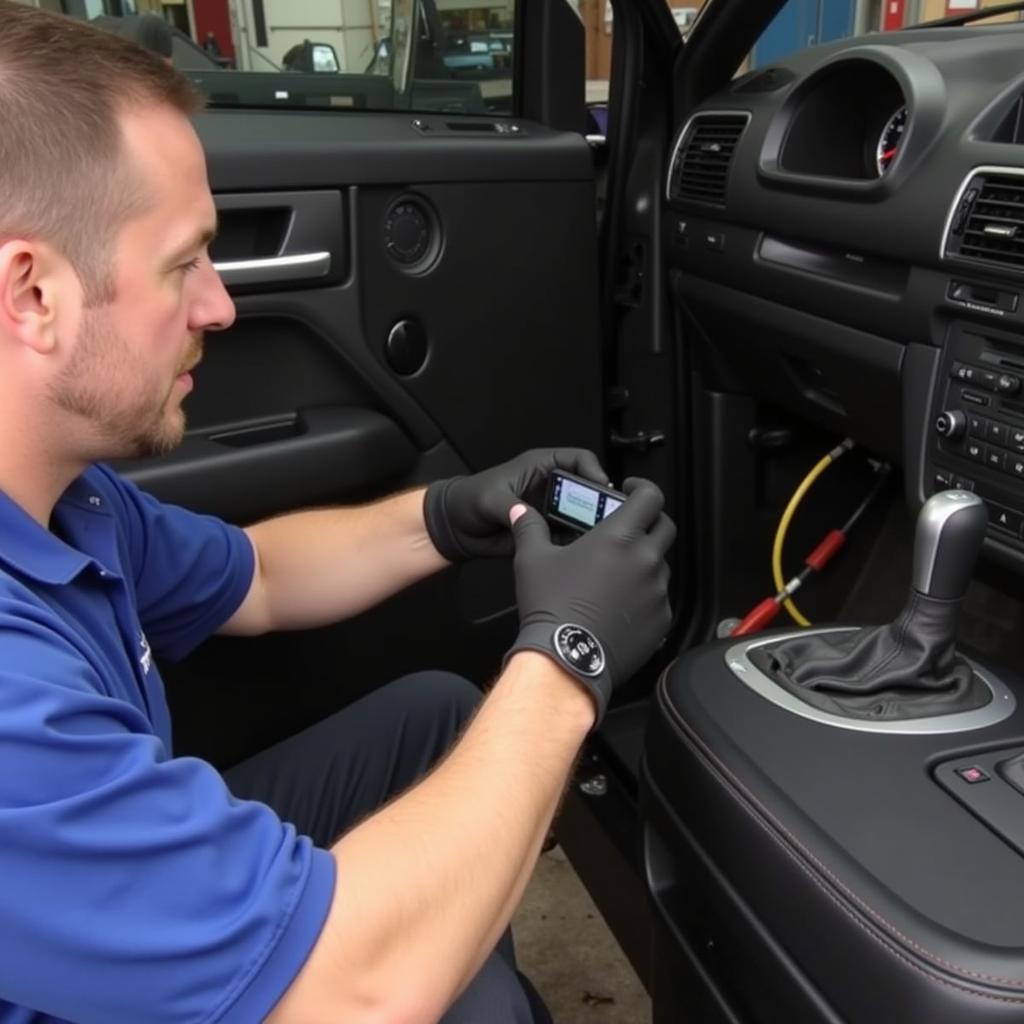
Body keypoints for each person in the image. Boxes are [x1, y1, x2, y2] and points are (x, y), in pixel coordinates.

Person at [0, 5, 675, 1023]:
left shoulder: (68, 501)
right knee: (445, 992)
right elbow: (350, 995)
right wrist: (571, 652)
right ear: (33, 294)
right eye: (184, 262)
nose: (219, 307)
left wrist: (454, 512)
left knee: (439, 721)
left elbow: (261, 577)